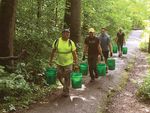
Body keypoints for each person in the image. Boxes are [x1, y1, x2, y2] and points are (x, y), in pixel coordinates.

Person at [49, 29, 78, 97]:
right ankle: (65, 86)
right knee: (59, 75)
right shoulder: (57, 41)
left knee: (67, 76)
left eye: (68, 34)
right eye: (66, 33)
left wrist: (76, 62)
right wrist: (50, 60)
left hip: (69, 62)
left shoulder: (71, 42)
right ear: (62, 34)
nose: (67, 35)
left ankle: (66, 91)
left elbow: (74, 53)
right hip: (59, 62)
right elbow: (53, 51)